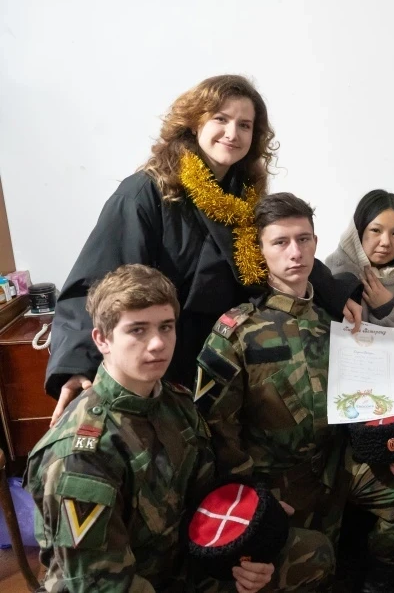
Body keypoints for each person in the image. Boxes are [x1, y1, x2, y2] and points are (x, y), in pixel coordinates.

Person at [45, 74, 361, 424]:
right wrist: (77, 363)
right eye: (221, 119)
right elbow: (95, 283)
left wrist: (333, 292)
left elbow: (283, 248)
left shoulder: (246, 195)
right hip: (168, 364)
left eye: (245, 125)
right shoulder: (145, 192)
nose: (232, 133)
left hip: (232, 366)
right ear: (195, 123)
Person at [25, 264, 332, 592]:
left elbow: (205, 492)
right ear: (102, 339)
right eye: (138, 330)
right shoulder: (81, 454)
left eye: (166, 327)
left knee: (313, 552)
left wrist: (247, 540)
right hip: (129, 583)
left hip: (184, 561)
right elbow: (99, 584)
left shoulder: (174, 402)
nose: (157, 343)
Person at [196, 193, 394, 593]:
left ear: (315, 242)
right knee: (316, 559)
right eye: (280, 242)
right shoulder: (237, 331)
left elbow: (367, 392)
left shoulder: (338, 315)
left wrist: (390, 446)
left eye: (304, 239)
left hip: (339, 458)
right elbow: (216, 429)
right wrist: (251, 495)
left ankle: (378, 582)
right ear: (260, 250)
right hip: (277, 477)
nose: (296, 252)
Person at [325, 189, 394, 388]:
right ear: (358, 231)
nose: (386, 242)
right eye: (376, 230)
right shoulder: (330, 278)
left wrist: (391, 309)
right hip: (347, 395)